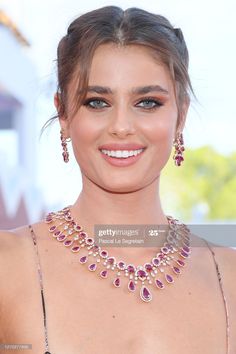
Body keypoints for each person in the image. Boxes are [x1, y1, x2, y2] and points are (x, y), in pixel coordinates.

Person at [0, 5, 235, 354]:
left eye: (148, 102)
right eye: (97, 102)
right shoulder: (8, 266)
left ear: (180, 115)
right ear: (63, 114)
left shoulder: (228, 276)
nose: (122, 126)